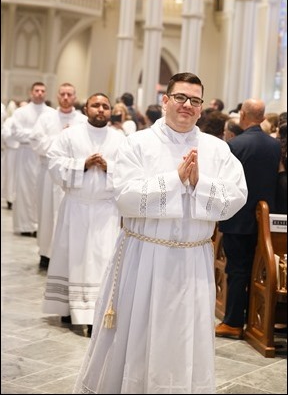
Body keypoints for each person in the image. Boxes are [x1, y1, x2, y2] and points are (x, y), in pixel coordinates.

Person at [74, 72, 248, 394]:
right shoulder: (137, 143)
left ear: (201, 108)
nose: (187, 105)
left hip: (192, 262)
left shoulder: (217, 149)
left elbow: (237, 196)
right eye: (180, 98)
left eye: (195, 100)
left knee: (184, 336)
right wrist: (175, 179)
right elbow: (124, 196)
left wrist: (199, 184)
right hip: (144, 258)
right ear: (165, 101)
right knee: (137, 332)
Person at [42, 92, 126, 335]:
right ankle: (68, 308)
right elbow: (54, 163)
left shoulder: (121, 139)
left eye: (105, 106)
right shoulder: (70, 135)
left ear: (110, 111)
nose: (101, 110)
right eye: (96, 105)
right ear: (86, 109)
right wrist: (83, 164)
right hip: (75, 208)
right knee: (72, 257)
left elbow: (131, 171)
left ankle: (94, 313)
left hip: (105, 210)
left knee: (102, 260)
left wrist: (108, 166)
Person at [216, 99, 282, 340]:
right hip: (265, 220)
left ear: (242, 115)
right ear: (262, 117)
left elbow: (225, 182)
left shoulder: (234, 145)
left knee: (237, 271)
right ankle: (254, 320)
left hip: (237, 217)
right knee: (259, 273)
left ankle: (233, 322)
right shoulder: (275, 146)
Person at [30, 82, 87, 270]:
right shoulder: (46, 118)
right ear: (57, 96)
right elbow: (37, 142)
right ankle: (45, 253)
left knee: (68, 215)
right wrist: (61, 137)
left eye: (69, 94)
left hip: (71, 174)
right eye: (62, 94)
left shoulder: (81, 120)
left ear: (75, 97)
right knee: (46, 214)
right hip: (48, 173)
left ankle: (64, 256)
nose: (65, 97)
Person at [10, 82, 55, 236]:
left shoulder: (51, 113)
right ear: (31, 92)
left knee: (40, 190)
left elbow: (54, 136)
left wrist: (39, 138)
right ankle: (25, 226)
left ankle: (39, 226)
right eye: (37, 90)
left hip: (44, 155)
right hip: (25, 154)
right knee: (24, 189)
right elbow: (16, 133)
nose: (40, 93)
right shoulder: (21, 112)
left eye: (43, 90)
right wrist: (38, 137)